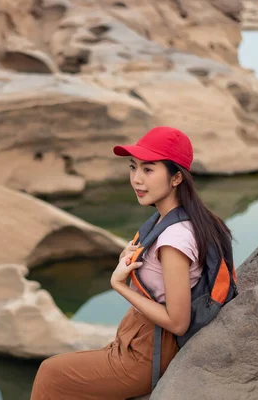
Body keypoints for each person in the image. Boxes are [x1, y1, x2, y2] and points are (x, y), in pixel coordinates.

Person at [30, 126, 233, 400]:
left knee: (50, 373)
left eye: (148, 170)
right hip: (138, 339)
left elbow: (178, 322)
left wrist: (119, 284)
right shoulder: (177, 218)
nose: (137, 179)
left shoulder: (174, 240)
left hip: (149, 354)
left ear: (176, 178)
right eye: (133, 167)